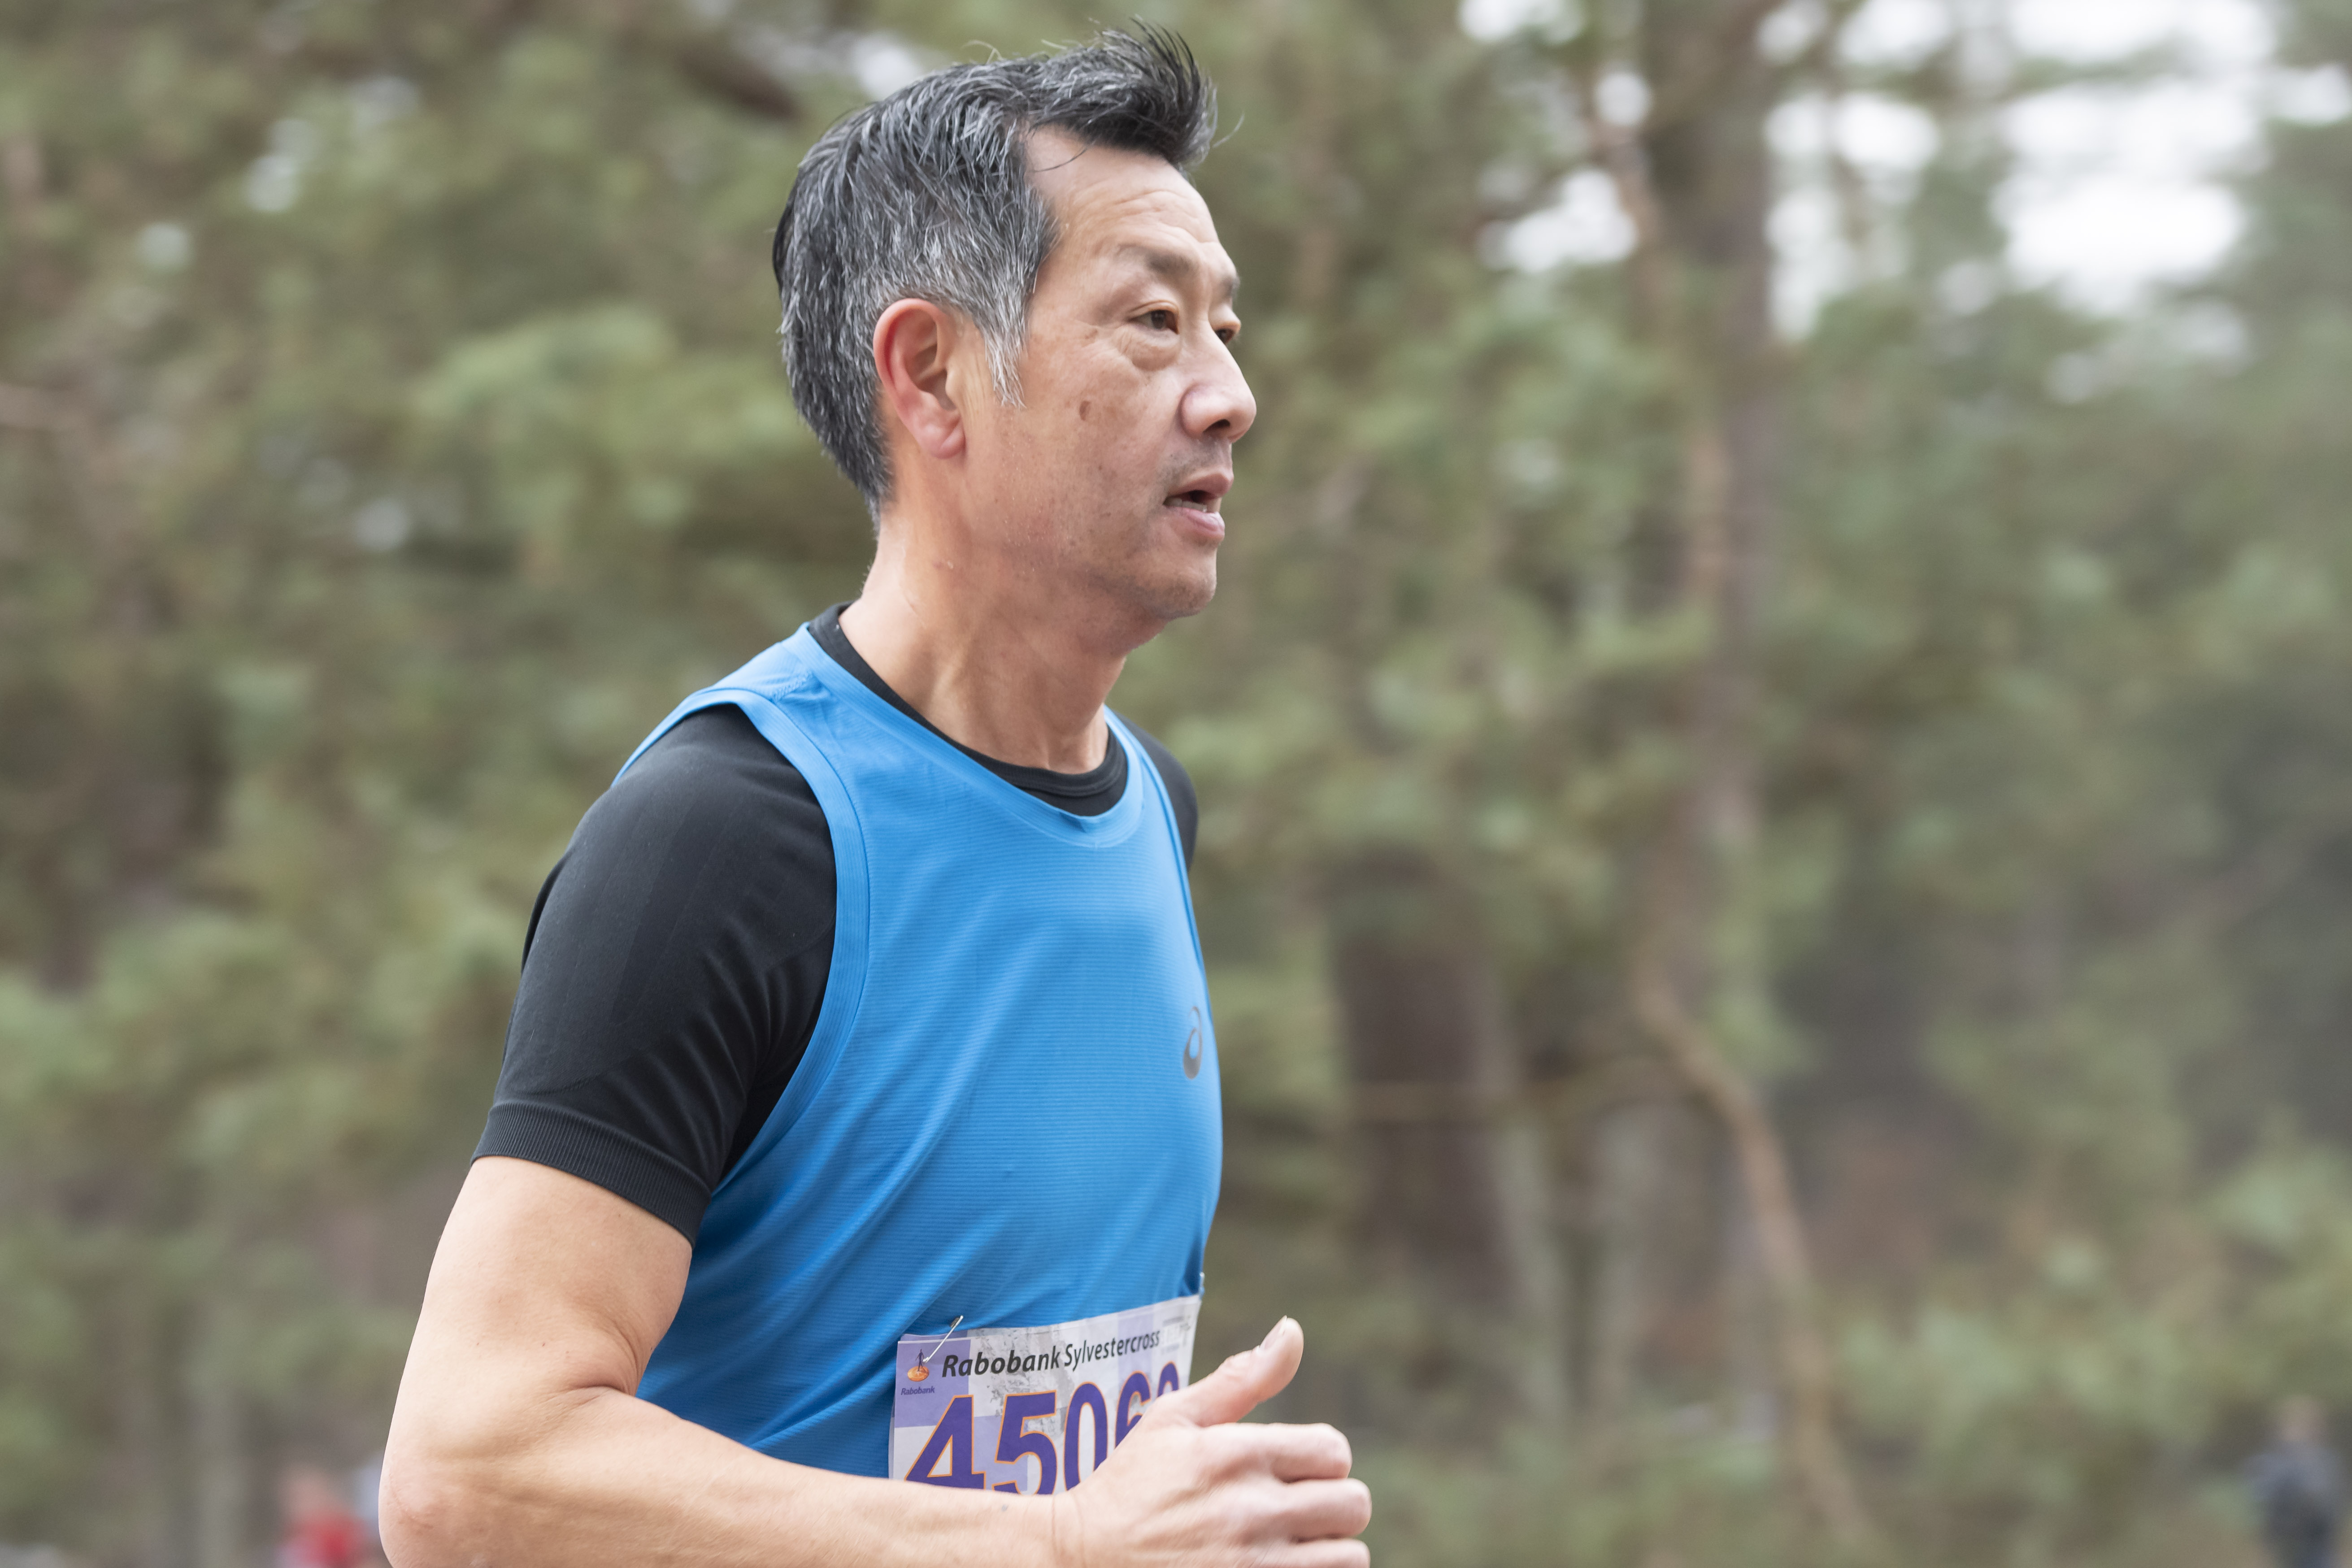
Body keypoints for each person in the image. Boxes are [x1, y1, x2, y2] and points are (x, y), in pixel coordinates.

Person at [378, 27, 1372, 1568]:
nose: (1230, 395)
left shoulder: (1149, 814)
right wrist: (1049, 1545)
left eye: (1225, 330)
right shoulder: (724, 842)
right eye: (1153, 322)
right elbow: (467, 1469)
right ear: (929, 375)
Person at [2248, 1398, 2347, 1568]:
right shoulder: (2270, 1463)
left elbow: (2333, 1508)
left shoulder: (2327, 1462)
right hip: (2286, 1545)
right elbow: (2261, 1503)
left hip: (2319, 1548)